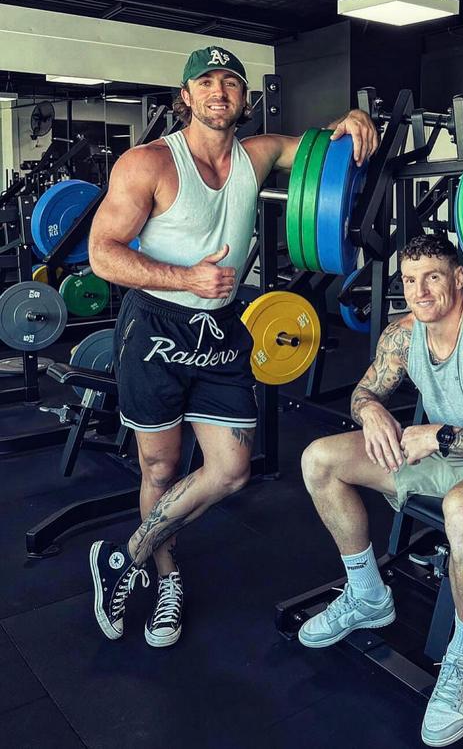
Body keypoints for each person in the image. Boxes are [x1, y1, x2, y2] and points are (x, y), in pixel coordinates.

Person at [87, 45, 379, 648]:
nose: (219, 92)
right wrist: (187, 277)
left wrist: (350, 119)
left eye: (231, 83)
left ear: (244, 99)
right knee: (161, 466)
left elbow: (325, 153)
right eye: (206, 82)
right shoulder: (147, 164)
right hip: (155, 327)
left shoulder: (260, 152)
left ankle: (127, 556)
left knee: (232, 469)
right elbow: (102, 255)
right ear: (186, 96)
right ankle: (165, 575)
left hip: (220, 327)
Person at [299, 233, 463, 747]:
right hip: (443, 456)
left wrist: (441, 436)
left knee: (462, 510)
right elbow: (366, 390)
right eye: (410, 280)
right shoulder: (403, 334)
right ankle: (368, 596)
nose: (420, 290)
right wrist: (370, 411)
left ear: (459, 278)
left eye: (433, 277)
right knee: (319, 459)